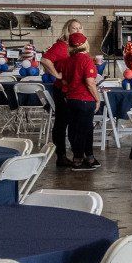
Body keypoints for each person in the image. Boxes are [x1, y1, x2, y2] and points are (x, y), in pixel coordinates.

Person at [40, 18, 87, 166]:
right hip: (63, 90)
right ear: (67, 30)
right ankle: (61, 155)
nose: (77, 30)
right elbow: (45, 60)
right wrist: (57, 74)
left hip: (75, 90)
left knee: (74, 123)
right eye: (74, 28)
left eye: (79, 28)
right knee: (62, 122)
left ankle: (77, 154)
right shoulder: (61, 46)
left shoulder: (78, 47)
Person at [58, 32, 101, 171]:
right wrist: (97, 98)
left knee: (76, 129)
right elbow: (90, 82)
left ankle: (90, 157)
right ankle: (78, 160)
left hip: (71, 99)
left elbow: (63, 80)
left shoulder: (67, 60)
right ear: (85, 44)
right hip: (85, 99)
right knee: (84, 130)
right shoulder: (86, 60)